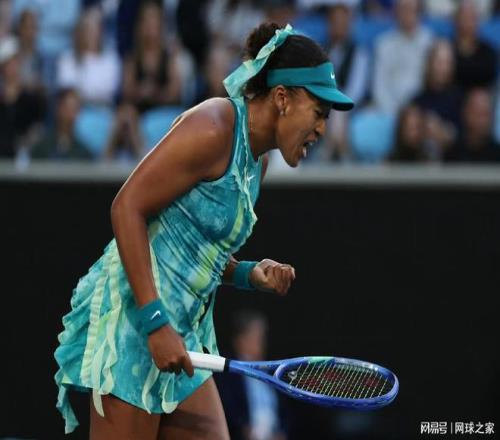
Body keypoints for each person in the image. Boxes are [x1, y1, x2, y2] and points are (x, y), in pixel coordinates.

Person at [53, 22, 354, 439]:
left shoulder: (258, 163)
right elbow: (127, 207)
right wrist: (155, 321)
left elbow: (192, 249)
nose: (322, 129)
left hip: (184, 335)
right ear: (282, 98)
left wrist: (248, 274)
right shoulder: (214, 125)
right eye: (319, 113)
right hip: (136, 324)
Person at [216, 310, 288, 440]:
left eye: (262, 336)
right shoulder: (227, 374)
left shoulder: (273, 373)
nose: (261, 342)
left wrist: (280, 433)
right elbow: (228, 411)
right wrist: (244, 431)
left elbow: (284, 415)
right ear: (240, 339)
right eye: (255, 336)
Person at [372, 0, 433, 113]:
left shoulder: (430, 42)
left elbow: (432, 83)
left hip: (422, 109)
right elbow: (379, 86)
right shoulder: (384, 44)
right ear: (396, 13)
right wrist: (392, 112)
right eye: (403, 10)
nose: (407, 15)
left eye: (411, 10)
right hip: (388, 109)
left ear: (419, 13)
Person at [31, 88, 92, 160]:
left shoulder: (84, 152)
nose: (70, 114)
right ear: (58, 108)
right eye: (67, 108)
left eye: (74, 108)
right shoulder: (41, 147)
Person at [444, 88, 500, 162]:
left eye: (486, 114)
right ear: (465, 112)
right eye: (477, 113)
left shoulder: (497, 155)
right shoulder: (449, 152)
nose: (481, 121)